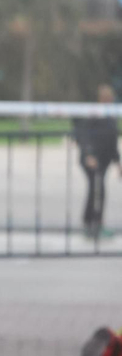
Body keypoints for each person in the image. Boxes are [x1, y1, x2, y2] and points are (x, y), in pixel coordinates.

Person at [73, 84, 119, 240]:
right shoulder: (94, 114)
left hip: (103, 161)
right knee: (96, 189)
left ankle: (94, 223)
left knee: (98, 190)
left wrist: (118, 162)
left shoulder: (111, 117)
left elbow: (113, 142)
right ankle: (92, 224)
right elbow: (83, 135)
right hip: (91, 160)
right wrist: (89, 154)